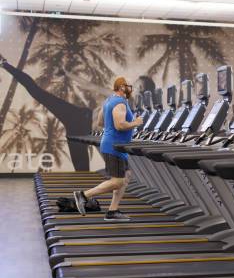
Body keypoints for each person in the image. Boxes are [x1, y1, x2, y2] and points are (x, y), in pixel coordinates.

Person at [0, 55, 93, 171]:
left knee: (81, 162)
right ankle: (5, 64)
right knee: (37, 92)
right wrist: (68, 74)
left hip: (82, 129)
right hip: (81, 119)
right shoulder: (113, 102)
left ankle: (85, 180)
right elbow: (91, 86)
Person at [73, 77, 143, 221]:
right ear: (122, 87)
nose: (130, 89)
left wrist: (113, 129)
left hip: (114, 144)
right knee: (118, 181)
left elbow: (100, 122)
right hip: (114, 146)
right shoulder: (121, 103)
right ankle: (83, 195)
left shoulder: (108, 101)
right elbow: (120, 125)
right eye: (128, 86)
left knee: (126, 175)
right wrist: (136, 122)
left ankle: (113, 211)